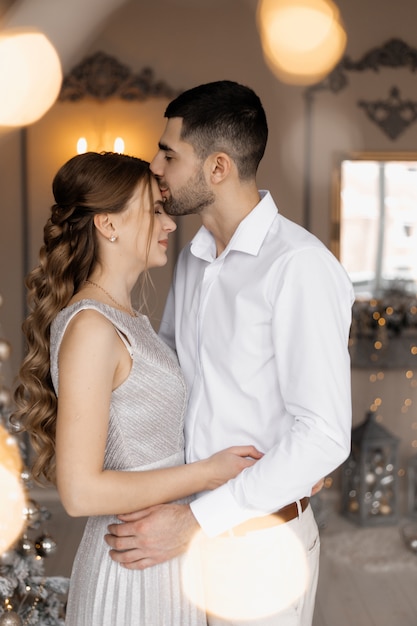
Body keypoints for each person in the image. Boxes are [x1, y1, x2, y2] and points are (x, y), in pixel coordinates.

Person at [105, 81, 355, 626]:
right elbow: (171, 380)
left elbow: (324, 435)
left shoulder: (300, 268)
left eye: (168, 154)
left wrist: (195, 520)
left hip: (260, 548)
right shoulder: (193, 257)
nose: (154, 166)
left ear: (217, 168)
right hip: (181, 535)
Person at [11, 151, 263, 626]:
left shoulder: (129, 320)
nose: (168, 224)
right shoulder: (91, 327)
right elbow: (80, 492)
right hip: (130, 569)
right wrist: (207, 474)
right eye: (153, 210)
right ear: (108, 225)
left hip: (162, 555)